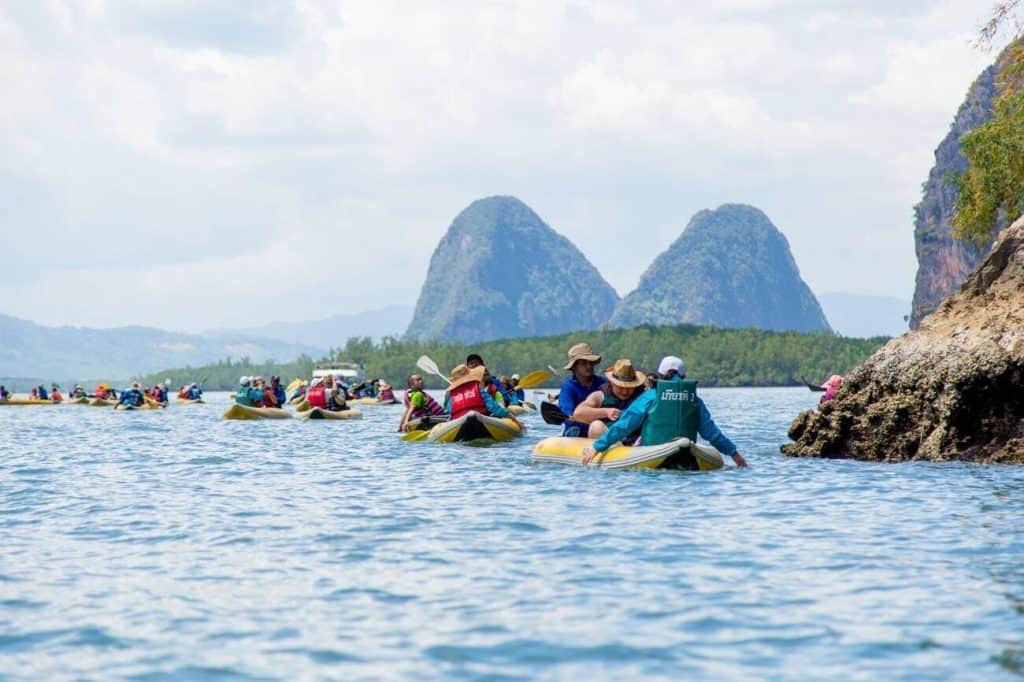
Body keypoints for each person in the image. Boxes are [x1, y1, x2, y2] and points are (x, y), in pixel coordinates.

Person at [581, 356, 748, 468]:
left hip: (651, 454)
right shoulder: (694, 399)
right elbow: (712, 433)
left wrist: (598, 446)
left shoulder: (651, 396)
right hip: (686, 455)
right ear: (683, 377)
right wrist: (734, 454)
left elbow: (625, 424)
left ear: (660, 375)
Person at [572, 359, 647, 440]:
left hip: (638, 441)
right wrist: (606, 412)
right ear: (612, 382)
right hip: (611, 443)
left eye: (629, 387)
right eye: (620, 387)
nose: (625, 392)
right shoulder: (599, 396)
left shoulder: (644, 395)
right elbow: (578, 413)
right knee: (596, 426)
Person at [443, 364, 522, 428]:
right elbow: (496, 409)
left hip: (460, 425)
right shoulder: (479, 391)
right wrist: (514, 419)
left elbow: (448, 411)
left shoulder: (452, 396)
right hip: (481, 423)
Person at [558, 342, 607, 437]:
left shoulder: (603, 383)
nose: (589, 366)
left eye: (591, 363)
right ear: (574, 366)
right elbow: (568, 415)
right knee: (574, 429)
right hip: (577, 431)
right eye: (584, 363)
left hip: (601, 429)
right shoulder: (568, 387)